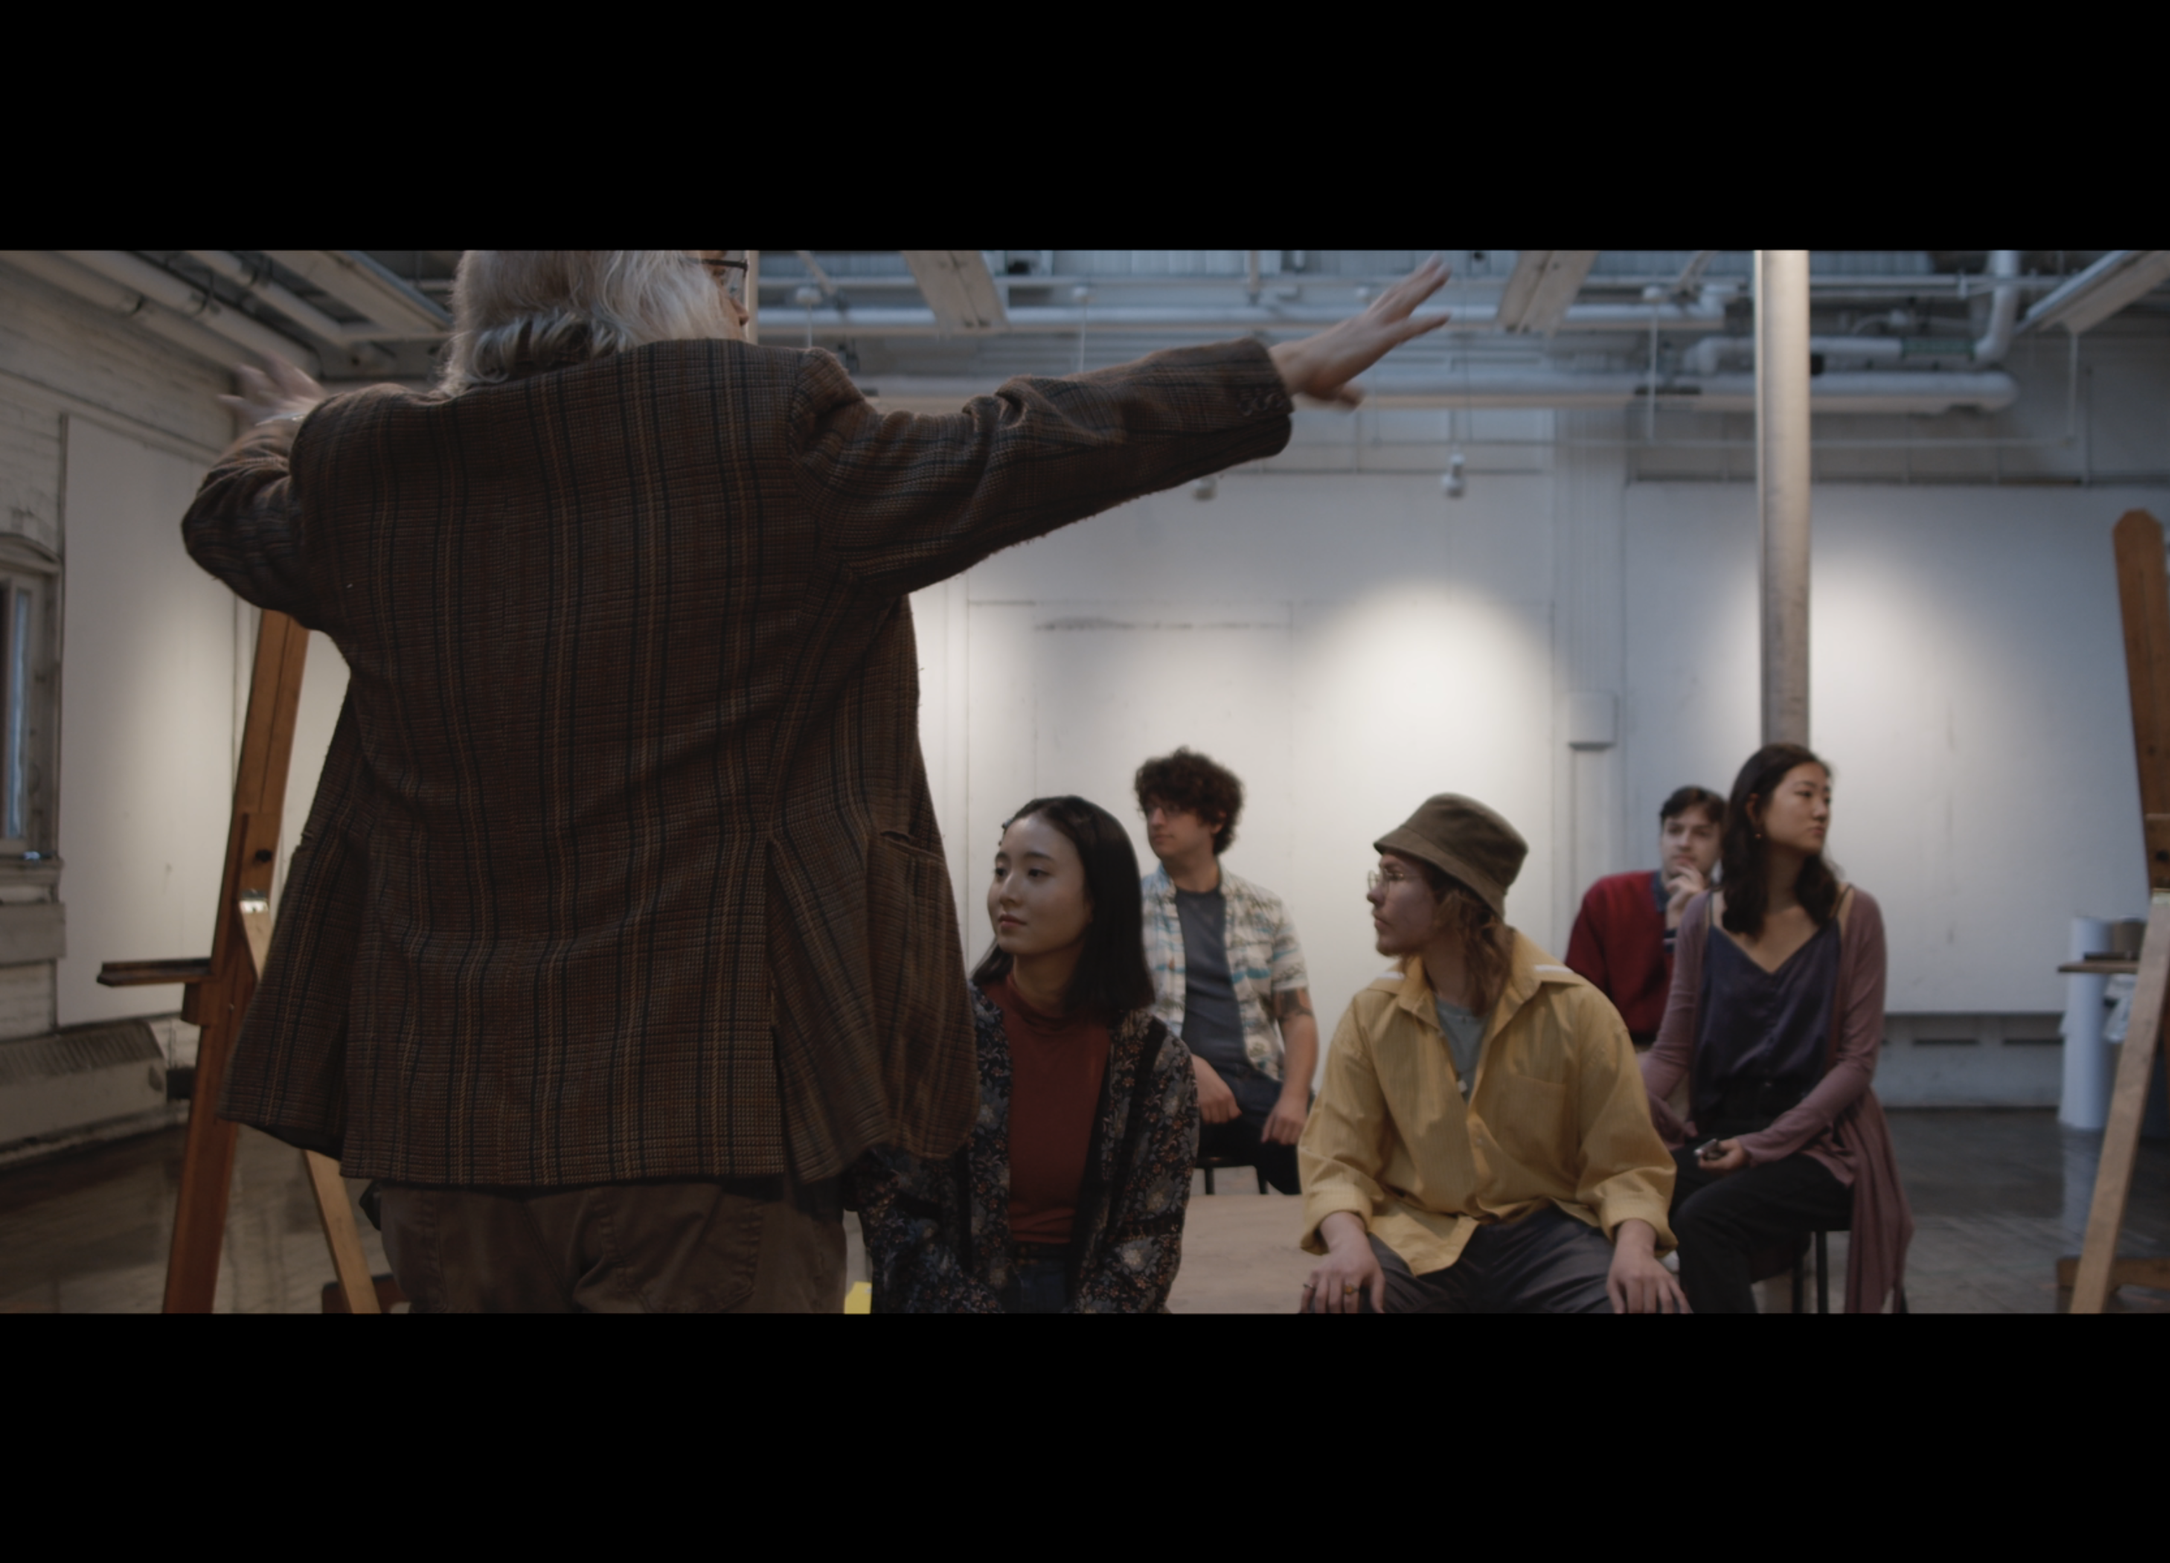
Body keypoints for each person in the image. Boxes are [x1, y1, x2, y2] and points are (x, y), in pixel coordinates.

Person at [181, 250, 1449, 1311]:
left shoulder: (372, 471)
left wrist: (299, 425)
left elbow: (231, 514)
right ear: (660, 295)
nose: (738, 299)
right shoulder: (758, 433)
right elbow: (1019, 446)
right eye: (718, 274)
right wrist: (1270, 370)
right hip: (702, 1120)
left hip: (443, 1125)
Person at [1298, 794, 1685, 1313]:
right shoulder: (1373, 1015)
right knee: (1340, 1300)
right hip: (1422, 1231)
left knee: (1646, 1304)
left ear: (1455, 896)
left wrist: (1636, 1252)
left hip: (1550, 1235)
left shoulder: (1577, 1011)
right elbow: (1336, 1160)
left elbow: (1628, 1164)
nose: (1374, 893)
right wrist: (1347, 1246)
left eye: (1394, 876)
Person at [850, 797, 1196, 1312]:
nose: (1006, 892)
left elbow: (1151, 1238)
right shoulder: (937, 1033)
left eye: (1035, 873)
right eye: (1000, 870)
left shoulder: (1154, 1061)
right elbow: (893, 1207)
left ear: (1097, 901)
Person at [1640, 744, 1913, 1314]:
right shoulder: (1703, 917)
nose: (1822, 810)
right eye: (1805, 795)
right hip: (1723, 1135)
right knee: (1619, 1194)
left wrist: (1765, 1144)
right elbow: (1672, 1051)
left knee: (1706, 1219)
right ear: (1755, 809)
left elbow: (1857, 1064)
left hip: (1825, 1147)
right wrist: (1613, 1105)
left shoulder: (1854, 914)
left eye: (1826, 798)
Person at [1135, 747, 1315, 1194]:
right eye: (1150, 809)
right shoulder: (1126, 908)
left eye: (1171, 808)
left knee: (1334, 1164)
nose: (1156, 820)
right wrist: (1186, 1065)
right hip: (1162, 1083)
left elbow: (1296, 1016)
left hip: (1256, 1082)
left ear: (1215, 819)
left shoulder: (1265, 909)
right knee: (1123, 1171)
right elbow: (1112, 1015)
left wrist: (1295, 1097)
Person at [1565, 785, 1725, 1042]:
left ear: (1722, 847)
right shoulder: (1609, 897)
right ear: (1660, 840)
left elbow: (1708, 1012)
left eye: (1702, 834)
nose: (1684, 843)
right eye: (1674, 830)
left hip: (1698, 1050)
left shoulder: (1729, 910)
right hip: (1617, 1046)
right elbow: (1578, 996)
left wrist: (1683, 927)